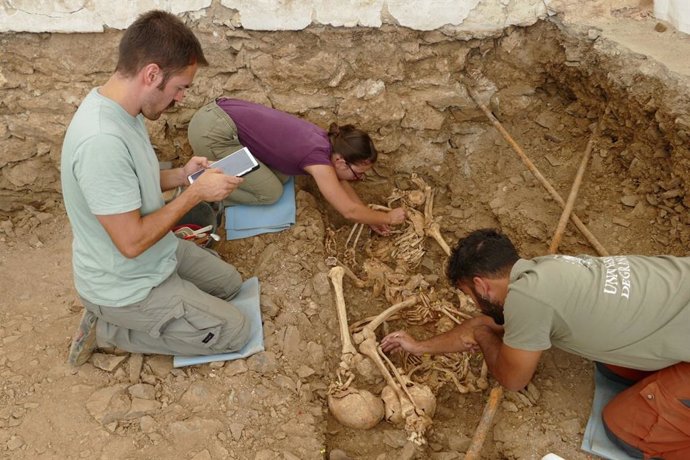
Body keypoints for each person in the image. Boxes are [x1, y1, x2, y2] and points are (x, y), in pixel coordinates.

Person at [381, 228, 690, 460]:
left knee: (625, 427)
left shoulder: (527, 299)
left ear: (480, 284)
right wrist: (420, 346)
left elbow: (513, 378)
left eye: (469, 296)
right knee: (614, 369)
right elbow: (483, 326)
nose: (474, 305)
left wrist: (481, 335)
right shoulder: (546, 269)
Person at [61, 10, 251, 366]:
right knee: (235, 331)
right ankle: (108, 330)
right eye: (180, 87)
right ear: (152, 74)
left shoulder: (125, 112)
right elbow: (131, 242)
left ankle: (174, 307)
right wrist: (195, 195)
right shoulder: (101, 140)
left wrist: (182, 176)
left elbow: (131, 183)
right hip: (124, 285)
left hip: (156, 253)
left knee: (229, 284)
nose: (181, 98)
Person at [187, 98, 406, 235]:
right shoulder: (319, 160)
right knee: (270, 192)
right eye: (357, 175)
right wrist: (387, 218)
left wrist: (370, 219)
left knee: (281, 176)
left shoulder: (326, 143)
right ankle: (197, 188)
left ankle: (213, 179)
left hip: (217, 117)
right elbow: (348, 211)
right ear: (340, 161)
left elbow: (341, 188)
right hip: (214, 132)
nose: (357, 180)